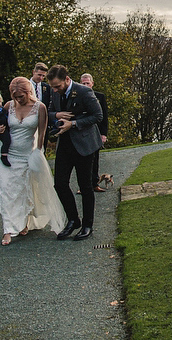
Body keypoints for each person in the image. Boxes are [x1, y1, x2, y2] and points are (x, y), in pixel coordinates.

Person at [0, 77, 66, 245]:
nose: (18, 100)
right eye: (15, 97)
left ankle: (23, 222)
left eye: (21, 96)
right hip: (7, 154)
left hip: (26, 155)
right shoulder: (8, 107)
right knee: (6, 190)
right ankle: (8, 229)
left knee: (23, 190)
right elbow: (0, 130)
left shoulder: (39, 108)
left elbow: (41, 134)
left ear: (28, 92)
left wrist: (38, 154)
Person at [47, 64, 104, 241]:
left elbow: (97, 116)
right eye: (52, 87)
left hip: (85, 144)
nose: (55, 90)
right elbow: (49, 111)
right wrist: (57, 116)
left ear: (67, 79)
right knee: (60, 184)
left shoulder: (84, 92)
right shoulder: (55, 92)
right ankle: (73, 220)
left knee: (85, 185)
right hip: (64, 144)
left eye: (57, 86)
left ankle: (88, 224)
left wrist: (74, 124)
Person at [80, 73, 109, 193]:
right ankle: (83, 186)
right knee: (82, 160)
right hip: (82, 132)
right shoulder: (78, 96)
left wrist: (103, 134)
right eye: (83, 83)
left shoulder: (99, 97)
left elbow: (104, 117)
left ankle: (95, 183)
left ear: (92, 83)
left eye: (88, 83)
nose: (86, 85)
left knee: (95, 158)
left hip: (96, 132)